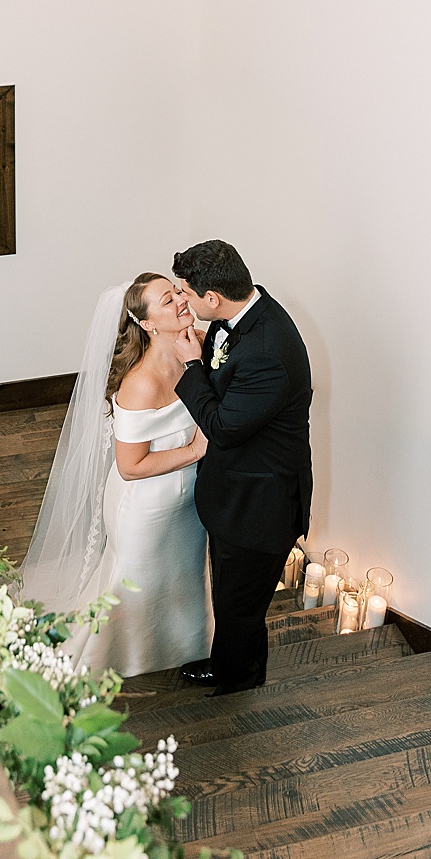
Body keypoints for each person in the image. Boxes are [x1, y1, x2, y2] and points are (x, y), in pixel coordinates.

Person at [20, 274, 212, 676]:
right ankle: (119, 657)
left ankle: (187, 647)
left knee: (183, 573)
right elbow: (130, 466)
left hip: (190, 499)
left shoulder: (194, 349)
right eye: (167, 299)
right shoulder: (139, 385)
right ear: (148, 324)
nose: (180, 299)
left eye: (177, 292)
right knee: (137, 579)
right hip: (146, 504)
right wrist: (195, 450)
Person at [171, 239, 313, 695]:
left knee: (239, 604)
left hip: (259, 506)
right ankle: (231, 660)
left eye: (186, 294)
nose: (183, 303)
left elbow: (223, 427)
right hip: (238, 490)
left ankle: (239, 679)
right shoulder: (240, 317)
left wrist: (191, 367)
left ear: (212, 298)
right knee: (234, 598)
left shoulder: (266, 350)